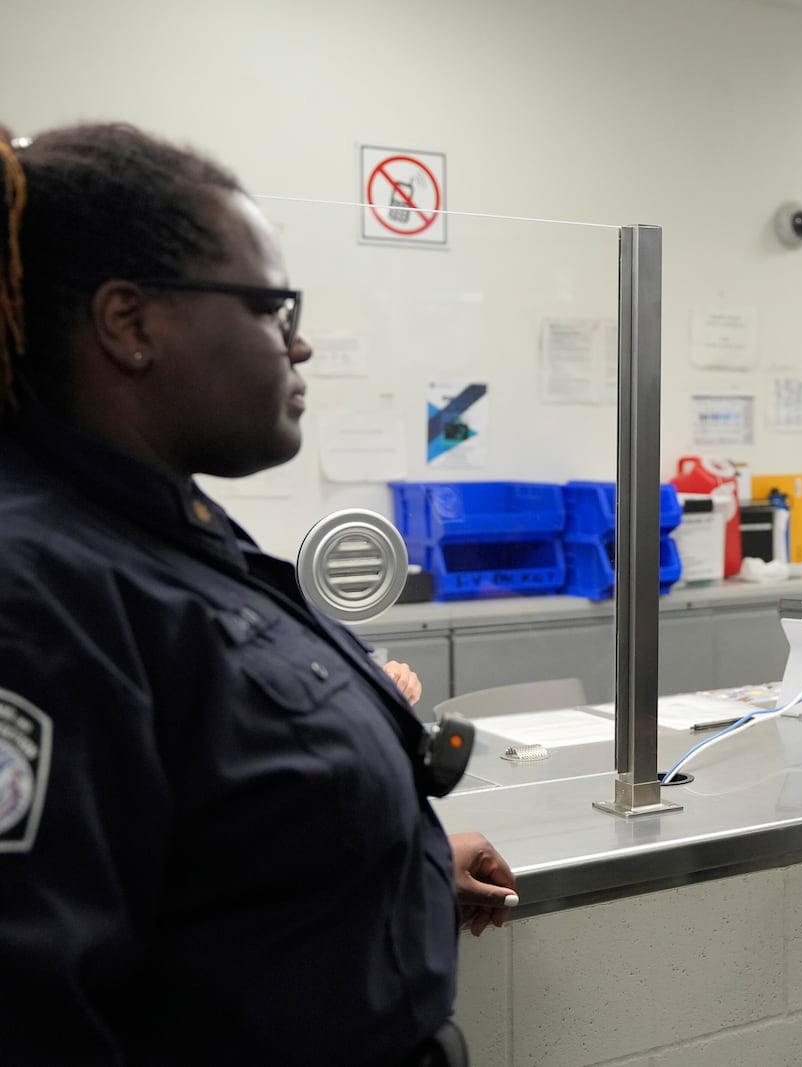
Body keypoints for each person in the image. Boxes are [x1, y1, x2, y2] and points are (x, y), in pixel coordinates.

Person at [0, 121, 514, 1065]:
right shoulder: (34, 588)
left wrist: (404, 864)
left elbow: (198, 850)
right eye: (273, 308)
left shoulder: (161, 525)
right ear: (131, 324)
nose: (301, 344)